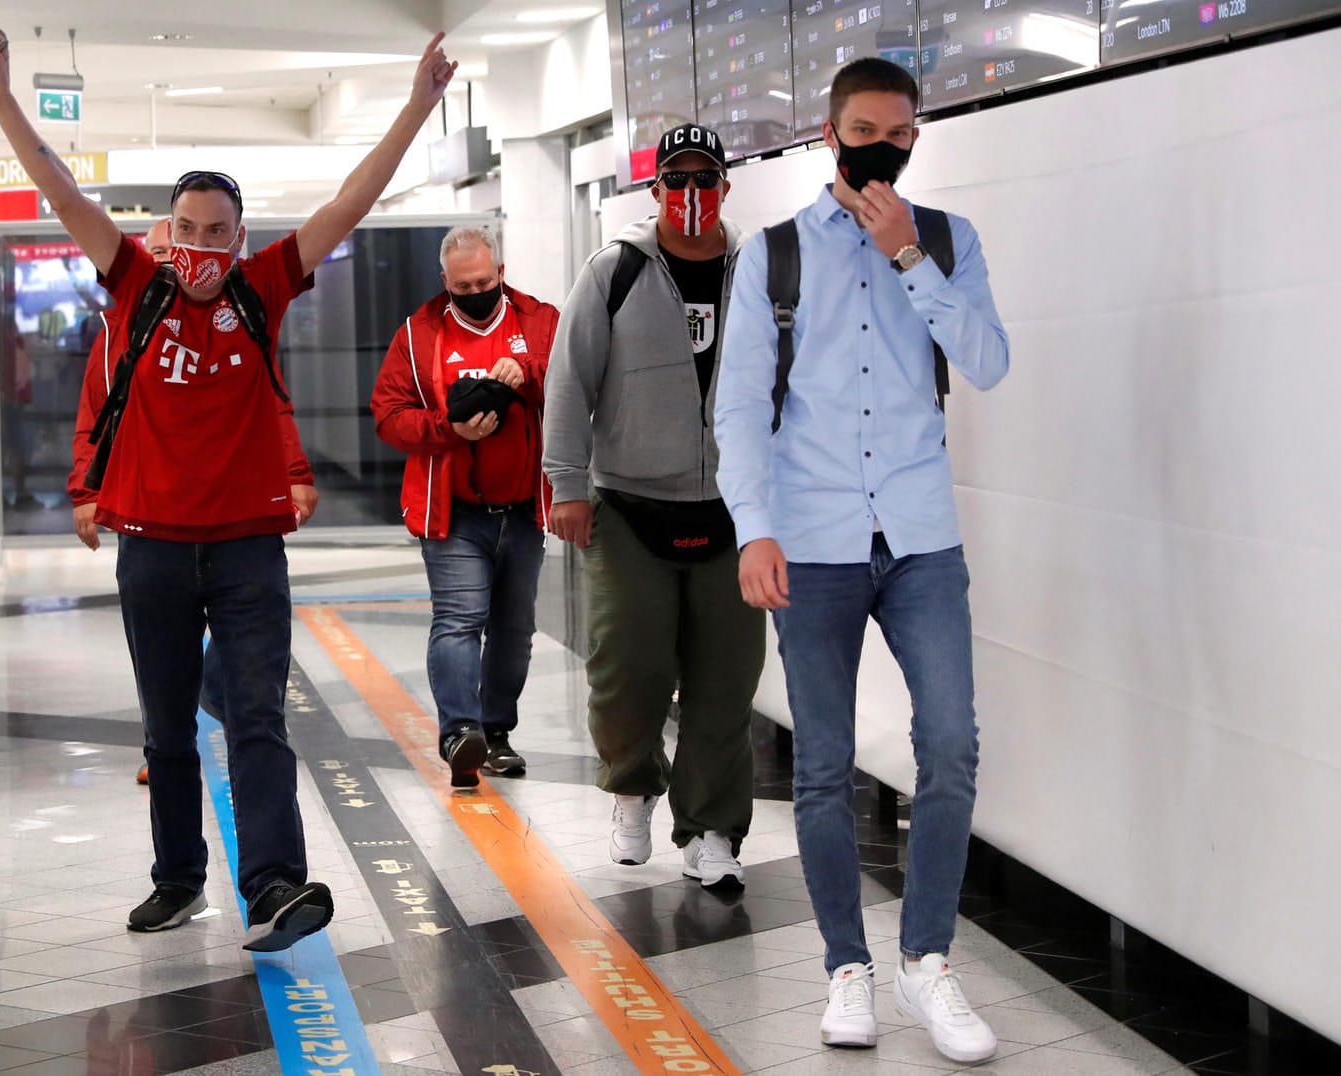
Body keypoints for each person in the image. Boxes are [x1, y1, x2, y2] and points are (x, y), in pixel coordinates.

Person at [0, 20, 455, 952]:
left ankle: (274, 885)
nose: (196, 246)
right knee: (164, 728)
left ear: (240, 239)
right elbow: (56, 185)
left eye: (214, 233)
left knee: (259, 715)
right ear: (169, 233)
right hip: (151, 542)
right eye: (185, 230)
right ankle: (177, 879)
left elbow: (353, 200)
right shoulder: (135, 282)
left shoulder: (262, 287)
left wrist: (419, 105)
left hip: (246, 547)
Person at [713, 58, 1011, 1064]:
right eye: (861, 129)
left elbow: (989, 360)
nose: (879, 144)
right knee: (826, 764)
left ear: (915, 138)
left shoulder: (950, 239)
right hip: (814, 537)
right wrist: (753, 525)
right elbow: (741, 405)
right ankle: (849, 968)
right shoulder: (775, 254)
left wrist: (909, 258)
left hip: (922, 536)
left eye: (897, 131)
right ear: (829, 135)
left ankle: (927, 958)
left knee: (954, 745)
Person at [542, 124, 765, 888]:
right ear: (656, 190)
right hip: (629, 508)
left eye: (707, 179)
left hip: (737, 508)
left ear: (727, 187)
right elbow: (569, 381)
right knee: (627, 666)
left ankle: (710, 829)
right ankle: (634, 787)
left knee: (725, 679)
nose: (692, 194)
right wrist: (566, 484)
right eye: (678, 180)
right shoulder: (614, 271)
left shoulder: (759, 271)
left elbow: (791, 383)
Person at [72, 218, 322, 787]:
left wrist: (296, 471)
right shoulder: (121, 325)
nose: (173, 261)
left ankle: (271, 868)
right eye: (159, 252)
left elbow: (269, 405)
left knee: (249, 689)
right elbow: (95, 414)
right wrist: (85, 491)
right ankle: (176, 839)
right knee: (168, 700)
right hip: (154, 526)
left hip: (239, 529)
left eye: (178, 248)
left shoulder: (244, 313)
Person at [370, 225, 557, 788]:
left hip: (523, 510)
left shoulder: (537, 321)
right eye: (462, 285)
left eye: (484, 281)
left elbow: (575, 381)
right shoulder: (418, 333)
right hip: (453, 515)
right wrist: (447, 428)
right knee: (457, 622)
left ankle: (496, 733)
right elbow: (388, 413)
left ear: (500, 272)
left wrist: (526, 376)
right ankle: (459, 734)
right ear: (444, 283)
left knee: (514, 629)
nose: (476, 291)